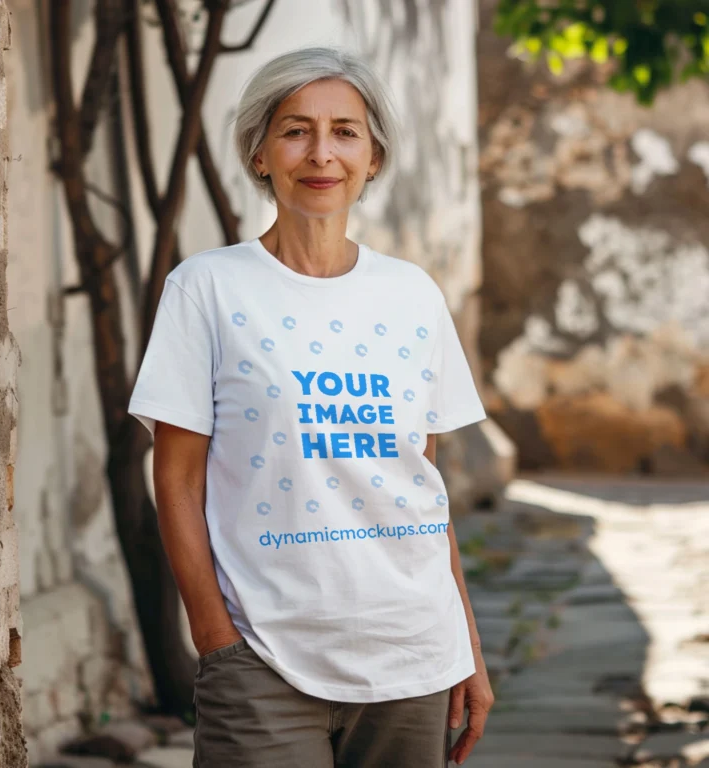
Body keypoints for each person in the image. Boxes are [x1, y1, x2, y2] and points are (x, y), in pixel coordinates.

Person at [129, 45, 493, 768]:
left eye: (344, 132)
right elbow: (175, 478)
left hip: (412, 653)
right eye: (296, 130)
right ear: (260, 153)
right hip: (262, 657)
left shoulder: (412, 294)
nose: (321, 153)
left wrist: (468, 648)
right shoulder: (206, 290)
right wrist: (216, 638)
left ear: (373, 157)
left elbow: (420, 485)